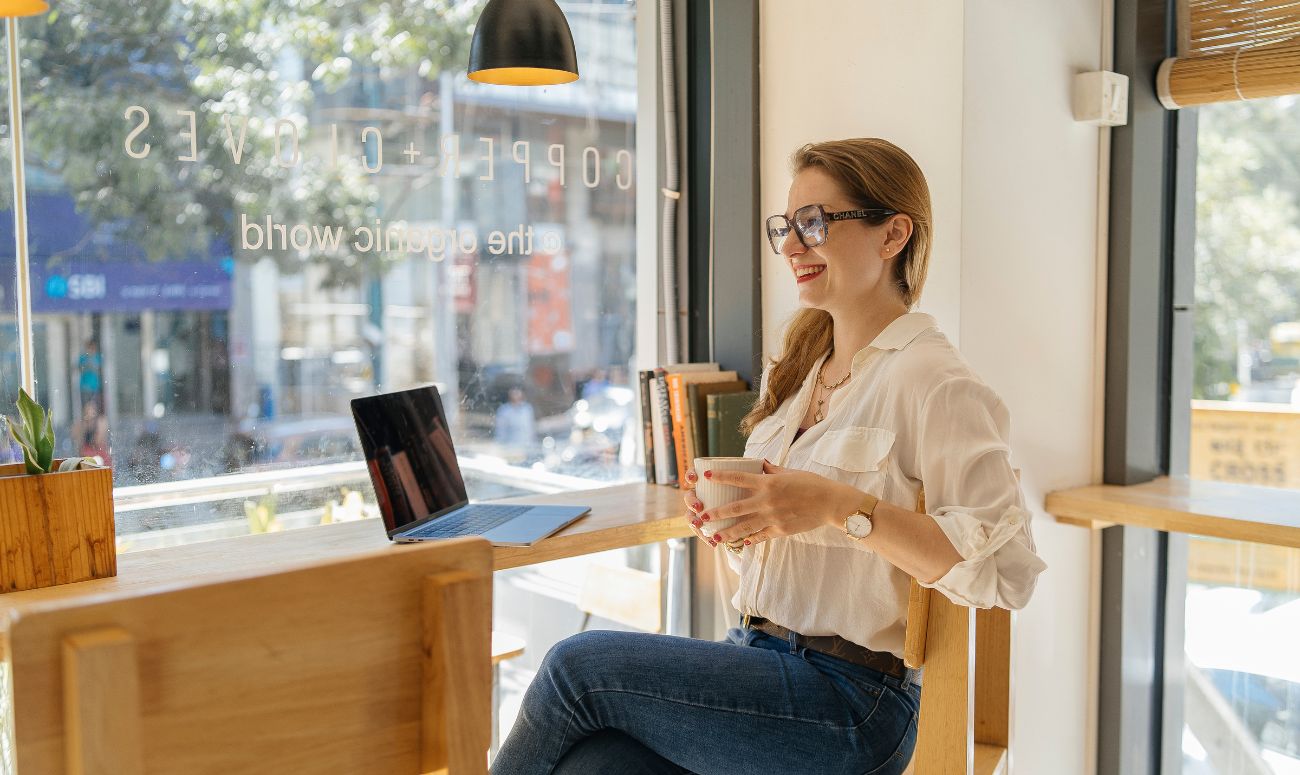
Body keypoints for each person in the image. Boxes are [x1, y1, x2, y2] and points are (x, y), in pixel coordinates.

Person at [491, 138, 1048, 775]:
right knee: (595, 764)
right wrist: (740, 525)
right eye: (785, 227)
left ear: (893, 234)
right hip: (758, 658)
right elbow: (797, 547)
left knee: (575, 667)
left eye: (815, 224)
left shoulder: (937, 383)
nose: (789, 246)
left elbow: (1005, 572)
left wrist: (843, 507)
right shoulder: (802, 372)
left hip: (852, 704)